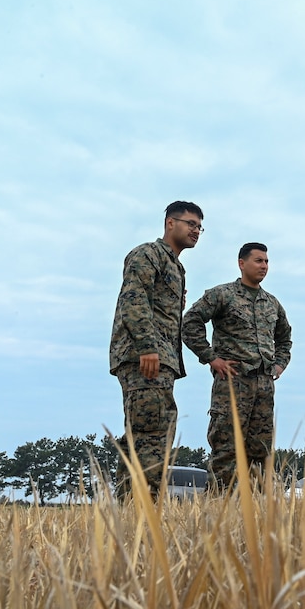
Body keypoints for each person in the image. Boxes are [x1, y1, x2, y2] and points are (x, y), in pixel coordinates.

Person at [109, 200, 204, 498]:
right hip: (147, 357)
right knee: (151, 436)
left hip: (161, 358)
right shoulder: (148, 254)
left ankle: (131, 510)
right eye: (190, 224)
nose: (196, 230)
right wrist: (148, 347)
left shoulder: (175, 266)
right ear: (170, 223)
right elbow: (133, 300)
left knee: (147, 433)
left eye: (200, 227)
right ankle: (143, 509)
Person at [183, 242, 292, 489]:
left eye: (266, 261)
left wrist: (279, 365)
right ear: (241, 263)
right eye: (258, 260)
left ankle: (257, 513)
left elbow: (285, 337)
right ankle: (221, 509)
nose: (264, 266)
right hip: (233, 383)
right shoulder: (222, 294)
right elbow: (190, 323)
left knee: (261, 452)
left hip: (264, 387)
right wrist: (210, 357)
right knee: (227, 449)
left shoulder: (271, 303)